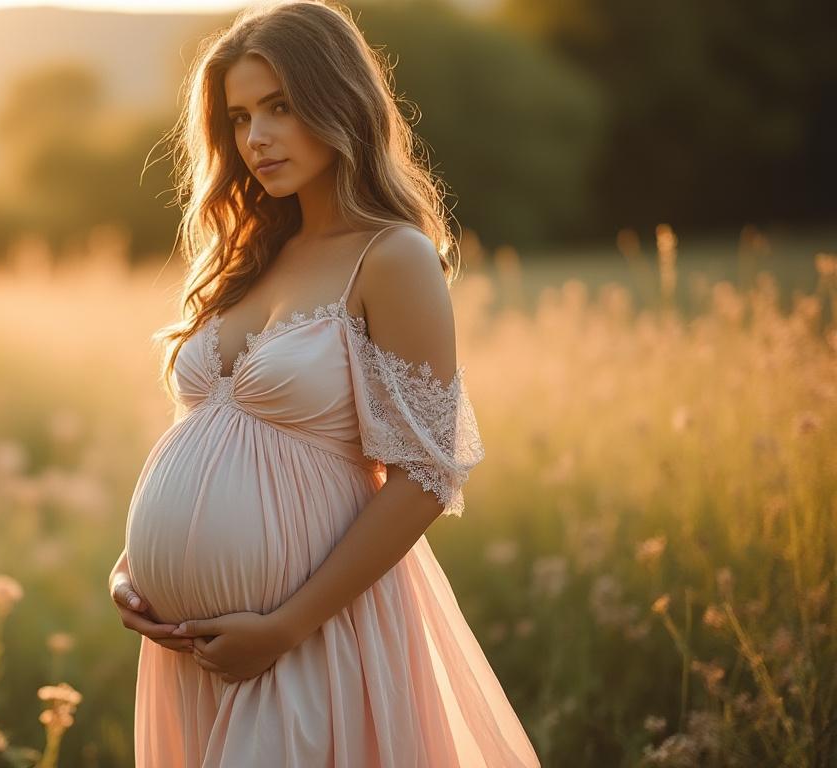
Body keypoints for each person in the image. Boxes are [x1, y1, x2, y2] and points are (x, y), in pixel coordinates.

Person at [106, 1, 541, 765]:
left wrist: (284, 626)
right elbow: (206, 435)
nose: (256, 138)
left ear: (339, 101)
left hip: (310, 638)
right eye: (239, 117)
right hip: (190, 654)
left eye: (279, 107)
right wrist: (134, 570)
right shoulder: (249, 252)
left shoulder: (391, 256)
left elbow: (425, 474)